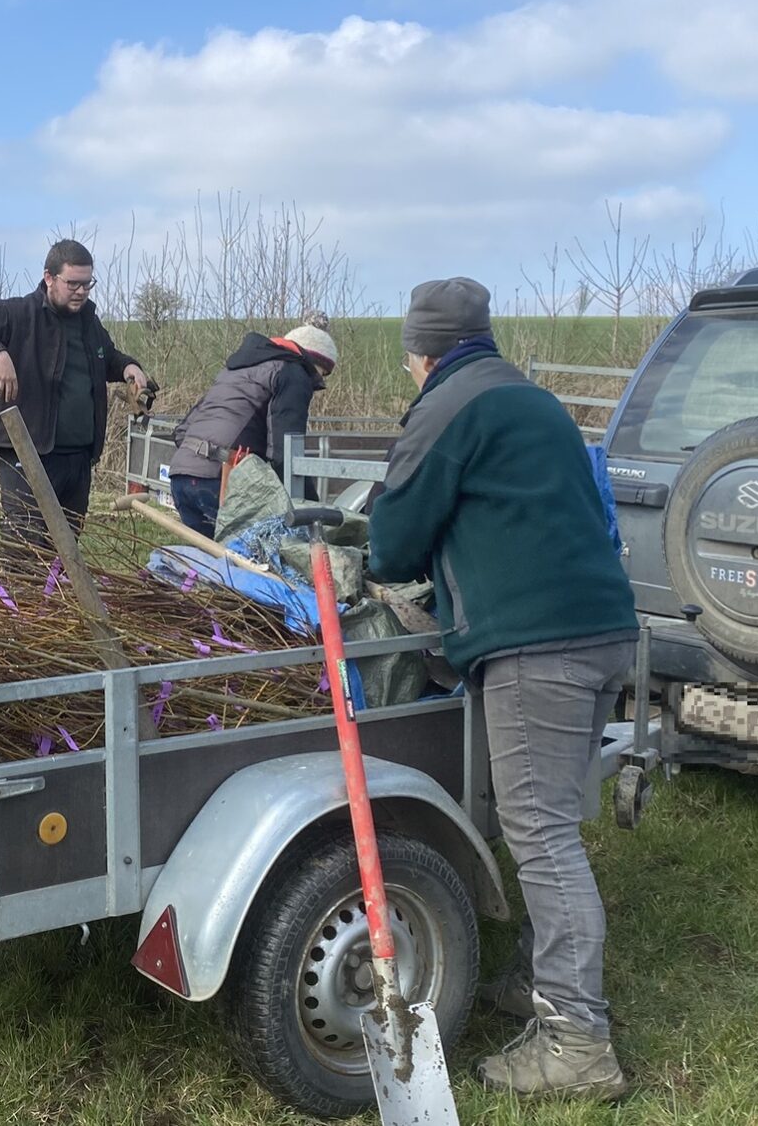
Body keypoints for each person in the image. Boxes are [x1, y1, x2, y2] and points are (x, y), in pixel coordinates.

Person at [366, 276, 638, 1101]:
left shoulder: (447, 408)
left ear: (421, 352)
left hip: (536, 646)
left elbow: (394, 540)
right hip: (603, 632)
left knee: (542, 834)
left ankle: (578, 1043)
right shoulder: (536, 400)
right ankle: (534, 978)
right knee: (550, 822)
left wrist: (377, 551)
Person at [0, 239, 148, 554]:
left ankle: (57, 603)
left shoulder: (89, 322)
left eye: (87, 284)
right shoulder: (16, 314)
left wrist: (129, 367)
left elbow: (107, 358)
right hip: (28, 453)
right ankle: (21, 603)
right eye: (73, 284)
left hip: (78, 458)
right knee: (26, 540)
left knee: (65, 546)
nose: (81, 291)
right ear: (49, 277)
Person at [165, 314, 338, 539]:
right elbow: (285, 453)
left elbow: (181, 431)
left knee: (207, 562)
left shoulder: (235, 368)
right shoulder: (293, 373)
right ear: (315, 362)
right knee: (248, 560)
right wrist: (312, 509)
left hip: (182, 475)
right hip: (220, 482)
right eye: (322, 375)